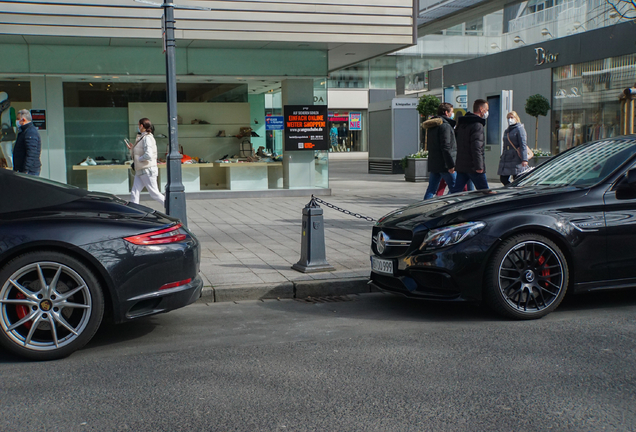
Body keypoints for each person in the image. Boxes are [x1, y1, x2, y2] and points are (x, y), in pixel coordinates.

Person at [452, 99, 489, 192]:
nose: (487, 112)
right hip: (473, 165)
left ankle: (451, 205)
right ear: (481, 109)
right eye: (486, 109)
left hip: (462, 165)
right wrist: (479, 166)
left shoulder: (462, 124)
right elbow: (477, 147)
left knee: (456, 192)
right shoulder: (477, 125)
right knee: (485, 192)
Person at [127, 118, 165, 205]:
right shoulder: (142, 137)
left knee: (154, 193)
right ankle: (134, 211)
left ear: (141, 126)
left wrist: (139, 160)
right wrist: (132, 149)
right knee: (135, 192)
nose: (137, 127)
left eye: (138, 125)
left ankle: (172, 207)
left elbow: (148, 155)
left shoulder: (147, 138)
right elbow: (140, 152)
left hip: (147, 170)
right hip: (141, 169)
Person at [423, 102, 456, 199]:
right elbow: (446, 147)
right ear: (446, 112)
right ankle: (448, 207)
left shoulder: (432, 126)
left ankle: (424, 208)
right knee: (456, 188)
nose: (452, 114)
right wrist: (451, 165)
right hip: (444, 164)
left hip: (434, 163)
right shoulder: (445, 126)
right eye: (451, 112)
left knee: (431, 189)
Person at [497, 111, 528, 186]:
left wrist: (524, 159)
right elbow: (505, 145)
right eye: (508, 118)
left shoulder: (520, 129)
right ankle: (511, 189)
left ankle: (516, 193)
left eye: (511, 117)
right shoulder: (507, 131)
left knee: (517, 178)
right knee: (503, 178)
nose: (509, 120)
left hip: (516, 158)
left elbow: (523, 144)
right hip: (507, 157)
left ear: (516, 118)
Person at [13, 109, 42, 176]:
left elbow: (31, 153)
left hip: (29, 171)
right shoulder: (24, 131)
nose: (16, 121)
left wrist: (26, 170)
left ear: (23, 120)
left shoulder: (30, 132)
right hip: (22, 169)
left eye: (18, 119)